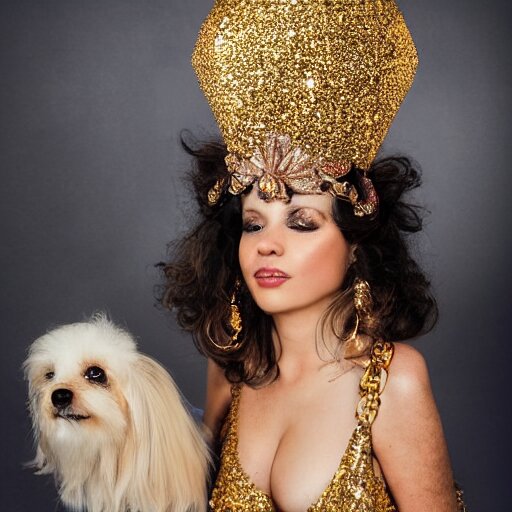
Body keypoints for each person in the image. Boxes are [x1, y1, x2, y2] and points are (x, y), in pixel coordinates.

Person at [160, 1, 467, 510]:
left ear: (355, 245)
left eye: (302, 222)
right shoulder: (232, 370)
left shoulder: (393, 381)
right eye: (253, 223)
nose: (267, 243)